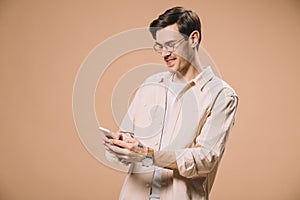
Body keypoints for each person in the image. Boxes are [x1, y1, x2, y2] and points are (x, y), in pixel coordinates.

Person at [104, 6, 238, 200]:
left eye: (171, 44)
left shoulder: (222, 95)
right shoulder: (150, 85)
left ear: (193, 39)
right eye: (160, 46)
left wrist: (147, 155)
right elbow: (127, 137)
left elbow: (205, 159)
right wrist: (118, 146)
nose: (164, 53)